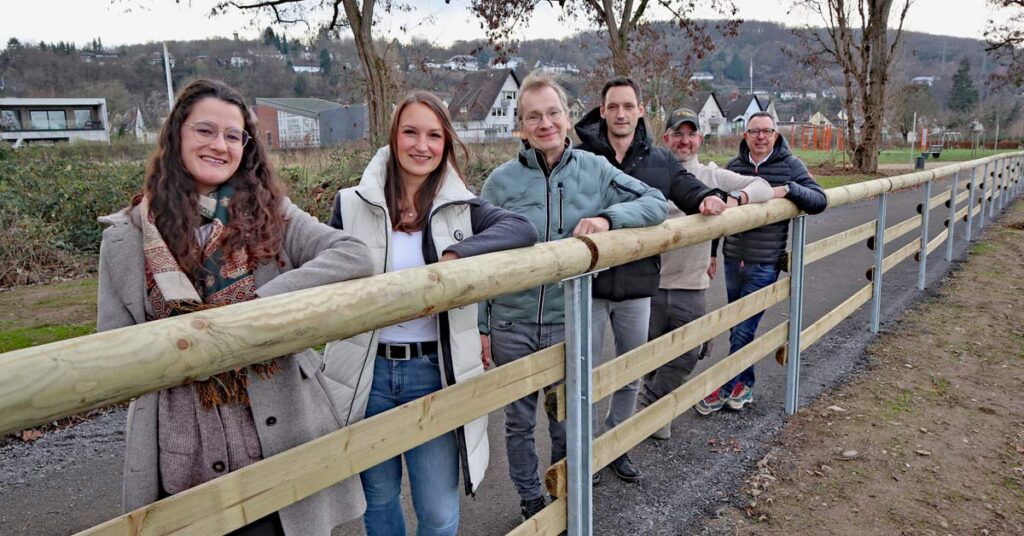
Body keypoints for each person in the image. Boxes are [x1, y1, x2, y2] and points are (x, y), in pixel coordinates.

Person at [96, 79, 374, 536]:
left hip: (277, 431)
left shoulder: (271, 214)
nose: (219, 145)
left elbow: (353, 254)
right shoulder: (126, 239)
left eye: (232, 135)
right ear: (177, 134)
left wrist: (257, 311)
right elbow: (112, 351)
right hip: (182, 447)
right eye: (205, 131)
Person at [325, 90, 538, 536]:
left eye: (434, 135)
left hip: (433, 373)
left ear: (445, 145)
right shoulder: (349, 206)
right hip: (369, 376)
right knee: (379, 501)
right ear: (393, 136)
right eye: (411, 132)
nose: (421, 145)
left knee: (438, 513)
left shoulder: (462, 207)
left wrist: (458, 253)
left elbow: (521, 228)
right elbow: (322, 274)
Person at [479, 71, 667, 520]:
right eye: (533, 117)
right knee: (519, 421)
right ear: (520, 127)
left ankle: (564, 489)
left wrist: (607, 218)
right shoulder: (499, 184)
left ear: (567, 118)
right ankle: (529, 499)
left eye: (553, 113)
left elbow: (655, 202)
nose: (544, 124)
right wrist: (484, 327)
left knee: (565, 416)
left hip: (569, 319)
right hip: (512, 320)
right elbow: (482, 259)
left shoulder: (595, 168)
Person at [573, 78, 724, 480]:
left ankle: (616, 445)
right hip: (588, 284)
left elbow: (688, 188)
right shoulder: (581, 157)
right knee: (585, 373)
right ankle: (584, 453)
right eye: (613, 106)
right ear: (602, 111)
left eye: (629, 106)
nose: (621, 114)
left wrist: (709, 198)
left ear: (641, 110)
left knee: (629, 371)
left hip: (638, 286)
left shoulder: (658, 160)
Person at [637, 108, 776, 436]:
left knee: (689, 352)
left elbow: (763, 187)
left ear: (700, 138)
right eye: (678, 134)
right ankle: (655, 418)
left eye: (691, 134)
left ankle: (648, 406)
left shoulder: (712, 176)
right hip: (650, 282)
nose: (685, 141)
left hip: (690, 283)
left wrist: (735, 199)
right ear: (667, 137)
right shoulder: (649, 173)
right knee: (651, 354)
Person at [696, 111, 827, 415]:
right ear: (745, 135)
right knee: (737, 328)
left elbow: (820, 200)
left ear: (776, 135)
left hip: (764, 262)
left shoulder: (790, 166)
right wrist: (712, 253)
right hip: (733, 259)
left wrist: (789, 190)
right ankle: (745, 386)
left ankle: (726, 387)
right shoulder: (735, 168)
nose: (760, 137)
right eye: (754, 131)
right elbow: (718, 210)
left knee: (744, 329)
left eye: (767, 131)